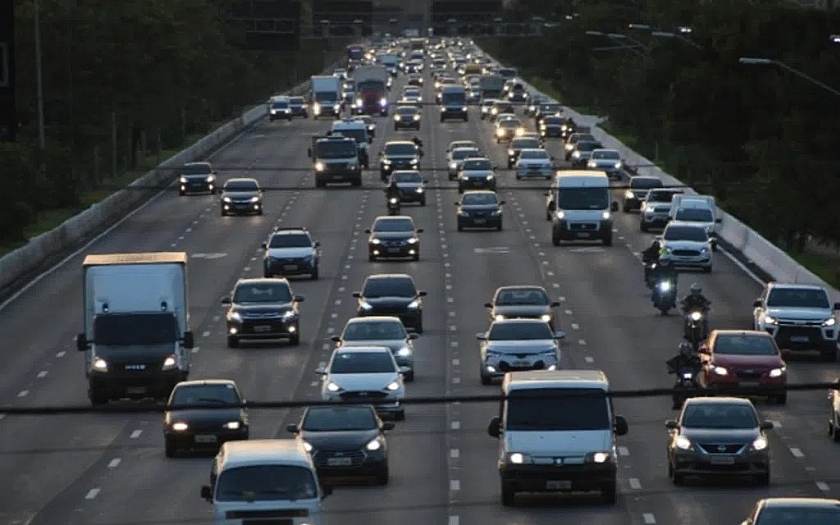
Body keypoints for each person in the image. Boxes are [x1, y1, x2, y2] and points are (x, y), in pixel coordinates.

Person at [666, 342, 702, 409]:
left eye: (687, 350)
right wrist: (671, 369)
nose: (686, 353)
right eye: (684, 350)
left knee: (700, 387)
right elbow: (670, 364)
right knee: (676, 388)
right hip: (681, 378)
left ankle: (702, 401)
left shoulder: (695, 359)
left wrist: (702, 367)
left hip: (693, 378)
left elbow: (701, 364)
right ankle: (676, 403)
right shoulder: (677, 359)